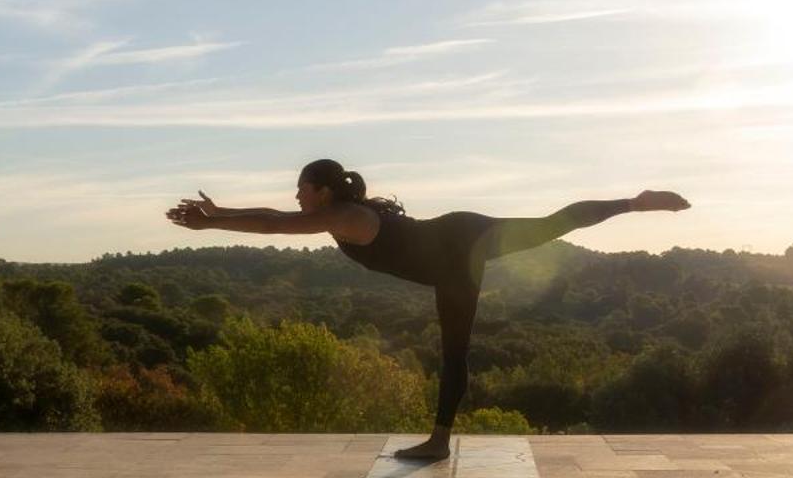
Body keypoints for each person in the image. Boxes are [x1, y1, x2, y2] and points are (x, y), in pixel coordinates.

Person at [166, 158, 689, 460]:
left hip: (462, 239)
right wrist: (217, 212)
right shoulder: (340, 213)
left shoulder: (343, 215)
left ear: (323, 191)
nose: (296, 194)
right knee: (454, 348)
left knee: (550, 224)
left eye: (302, 187)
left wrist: (212, 222)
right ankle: (439, 441)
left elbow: (275, 224)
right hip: (451, 263)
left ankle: (635, 201)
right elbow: (274, 216)